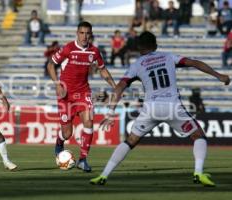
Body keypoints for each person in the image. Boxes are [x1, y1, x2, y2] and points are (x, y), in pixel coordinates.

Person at [90, 31, 230, 186]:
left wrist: (110, 112)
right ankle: (198, 173)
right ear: (155, 45)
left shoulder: (137, 65)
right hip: (172, 107)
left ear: (138, 47)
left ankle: (103, 175)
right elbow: (195, 62)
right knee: (199, 136)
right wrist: (219, 76)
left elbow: (119, 88)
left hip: (150, 109)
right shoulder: (168, 56)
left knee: (130, 141)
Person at [47, 21, 116, 172]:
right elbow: (51, 65)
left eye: (87, 33)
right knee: (67, 133)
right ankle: (59, 142)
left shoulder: (94, 52)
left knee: (89, 121)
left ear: (91, 34)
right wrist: (57, 83)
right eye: (82, 33)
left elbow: (102, 70)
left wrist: (114, 86)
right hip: (65, 94)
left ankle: (83, 159)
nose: (84, 36)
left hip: (83, 92)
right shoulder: (68, 48)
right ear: (77, 33)